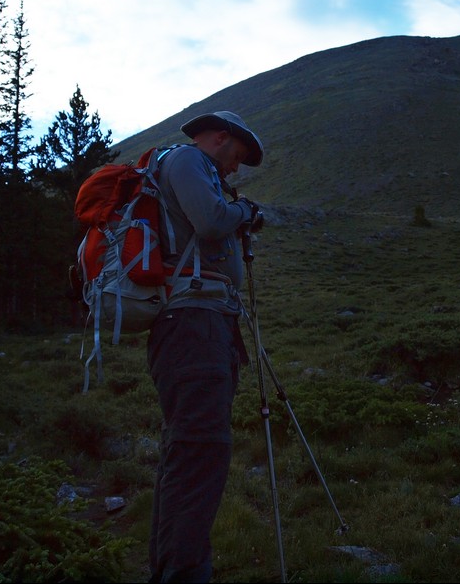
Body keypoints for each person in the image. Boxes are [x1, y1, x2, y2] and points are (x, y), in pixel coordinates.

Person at [146, 110, 264, 583]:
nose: (234, 169)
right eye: (236, 157)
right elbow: (212, 220)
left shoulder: (191, 167)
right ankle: (185, 573)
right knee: (201, 449)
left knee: (190, 450)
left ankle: (174, 566)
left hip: (202, 322)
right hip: (194, 325)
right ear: (219, 139)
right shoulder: (188, 161)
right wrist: (248, 212)